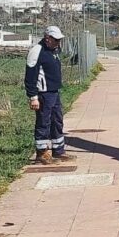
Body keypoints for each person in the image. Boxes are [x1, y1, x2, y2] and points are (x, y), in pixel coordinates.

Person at [25, 26, 76, 164]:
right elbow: (30, 76)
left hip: (54, 92)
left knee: (57, 121)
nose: (58, 42)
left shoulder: (54, 51)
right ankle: (41, 153)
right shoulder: (37, 51)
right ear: (47, 38)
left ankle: (58, 151)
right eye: (56, 39)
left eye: (59, 40)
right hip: (43, 94)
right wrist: (33, 97)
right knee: (43, 122)